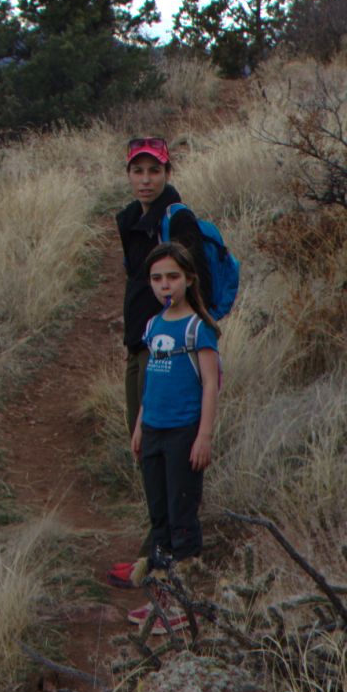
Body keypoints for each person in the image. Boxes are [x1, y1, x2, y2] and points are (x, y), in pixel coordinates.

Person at [111, 136, 213, 587]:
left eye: (154, 171)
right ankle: (157, 548)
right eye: (138, 171)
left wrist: (180, 329)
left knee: (174, 456)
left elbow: (197, 283)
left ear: (167, 174)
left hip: (172, 351)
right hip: (145, 344)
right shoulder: (134, 219)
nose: (146, 179)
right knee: (145, 441)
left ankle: (173, 555)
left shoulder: (177, 218)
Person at [128, 239, 221, 624]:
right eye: (156, 278)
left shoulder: (199, 329)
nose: (164, 285)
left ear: (188, 279)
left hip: (184, 433)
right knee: (160, 517)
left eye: (172, 277)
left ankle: (187, 601)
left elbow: (212, 385)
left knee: (183, 517)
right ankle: (163, 599)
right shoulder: (152, 325)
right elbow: (150, 380)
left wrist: (204, 436)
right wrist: (138, 426)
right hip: (153, 432)